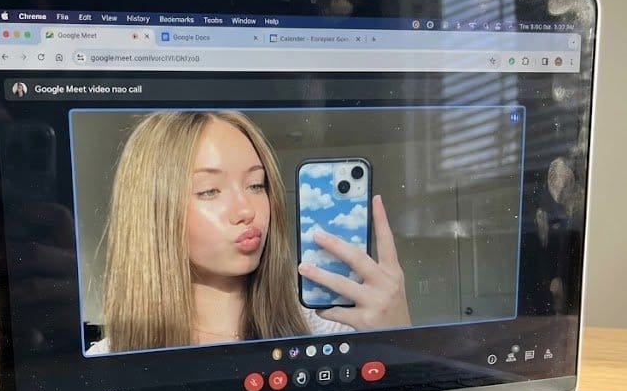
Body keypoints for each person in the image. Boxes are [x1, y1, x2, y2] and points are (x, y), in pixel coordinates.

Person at [87, 110, 410, 354]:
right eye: (209, 191)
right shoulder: (107, 358)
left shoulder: (328, 328)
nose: (247, 210)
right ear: (153, 211)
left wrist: (399, 337)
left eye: (257, 185)